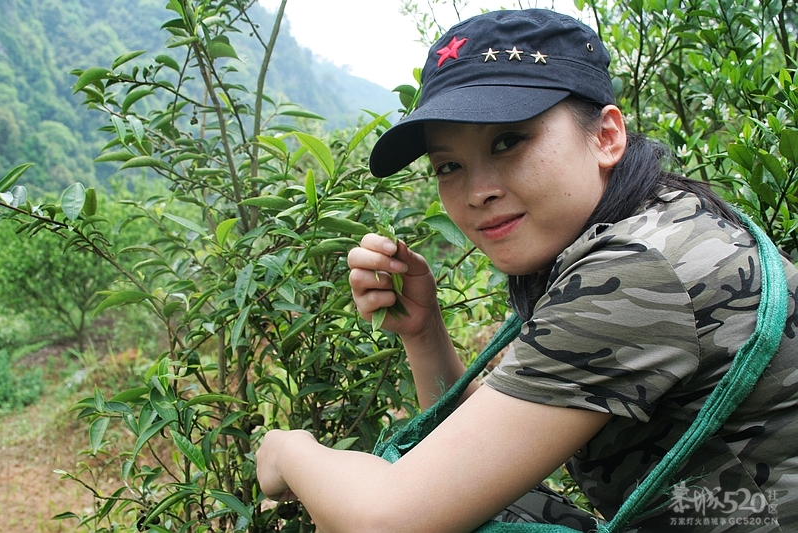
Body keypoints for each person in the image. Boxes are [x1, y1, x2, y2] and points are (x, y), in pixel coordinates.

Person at [256, 8, 798, 532]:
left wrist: (288, 450)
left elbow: (388, 519)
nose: (477, 191)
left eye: (509, 141)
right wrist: (424, 333)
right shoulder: (657, 218)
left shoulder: (636, 271)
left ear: (606, 136)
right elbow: (465, 467)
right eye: (449, 166)